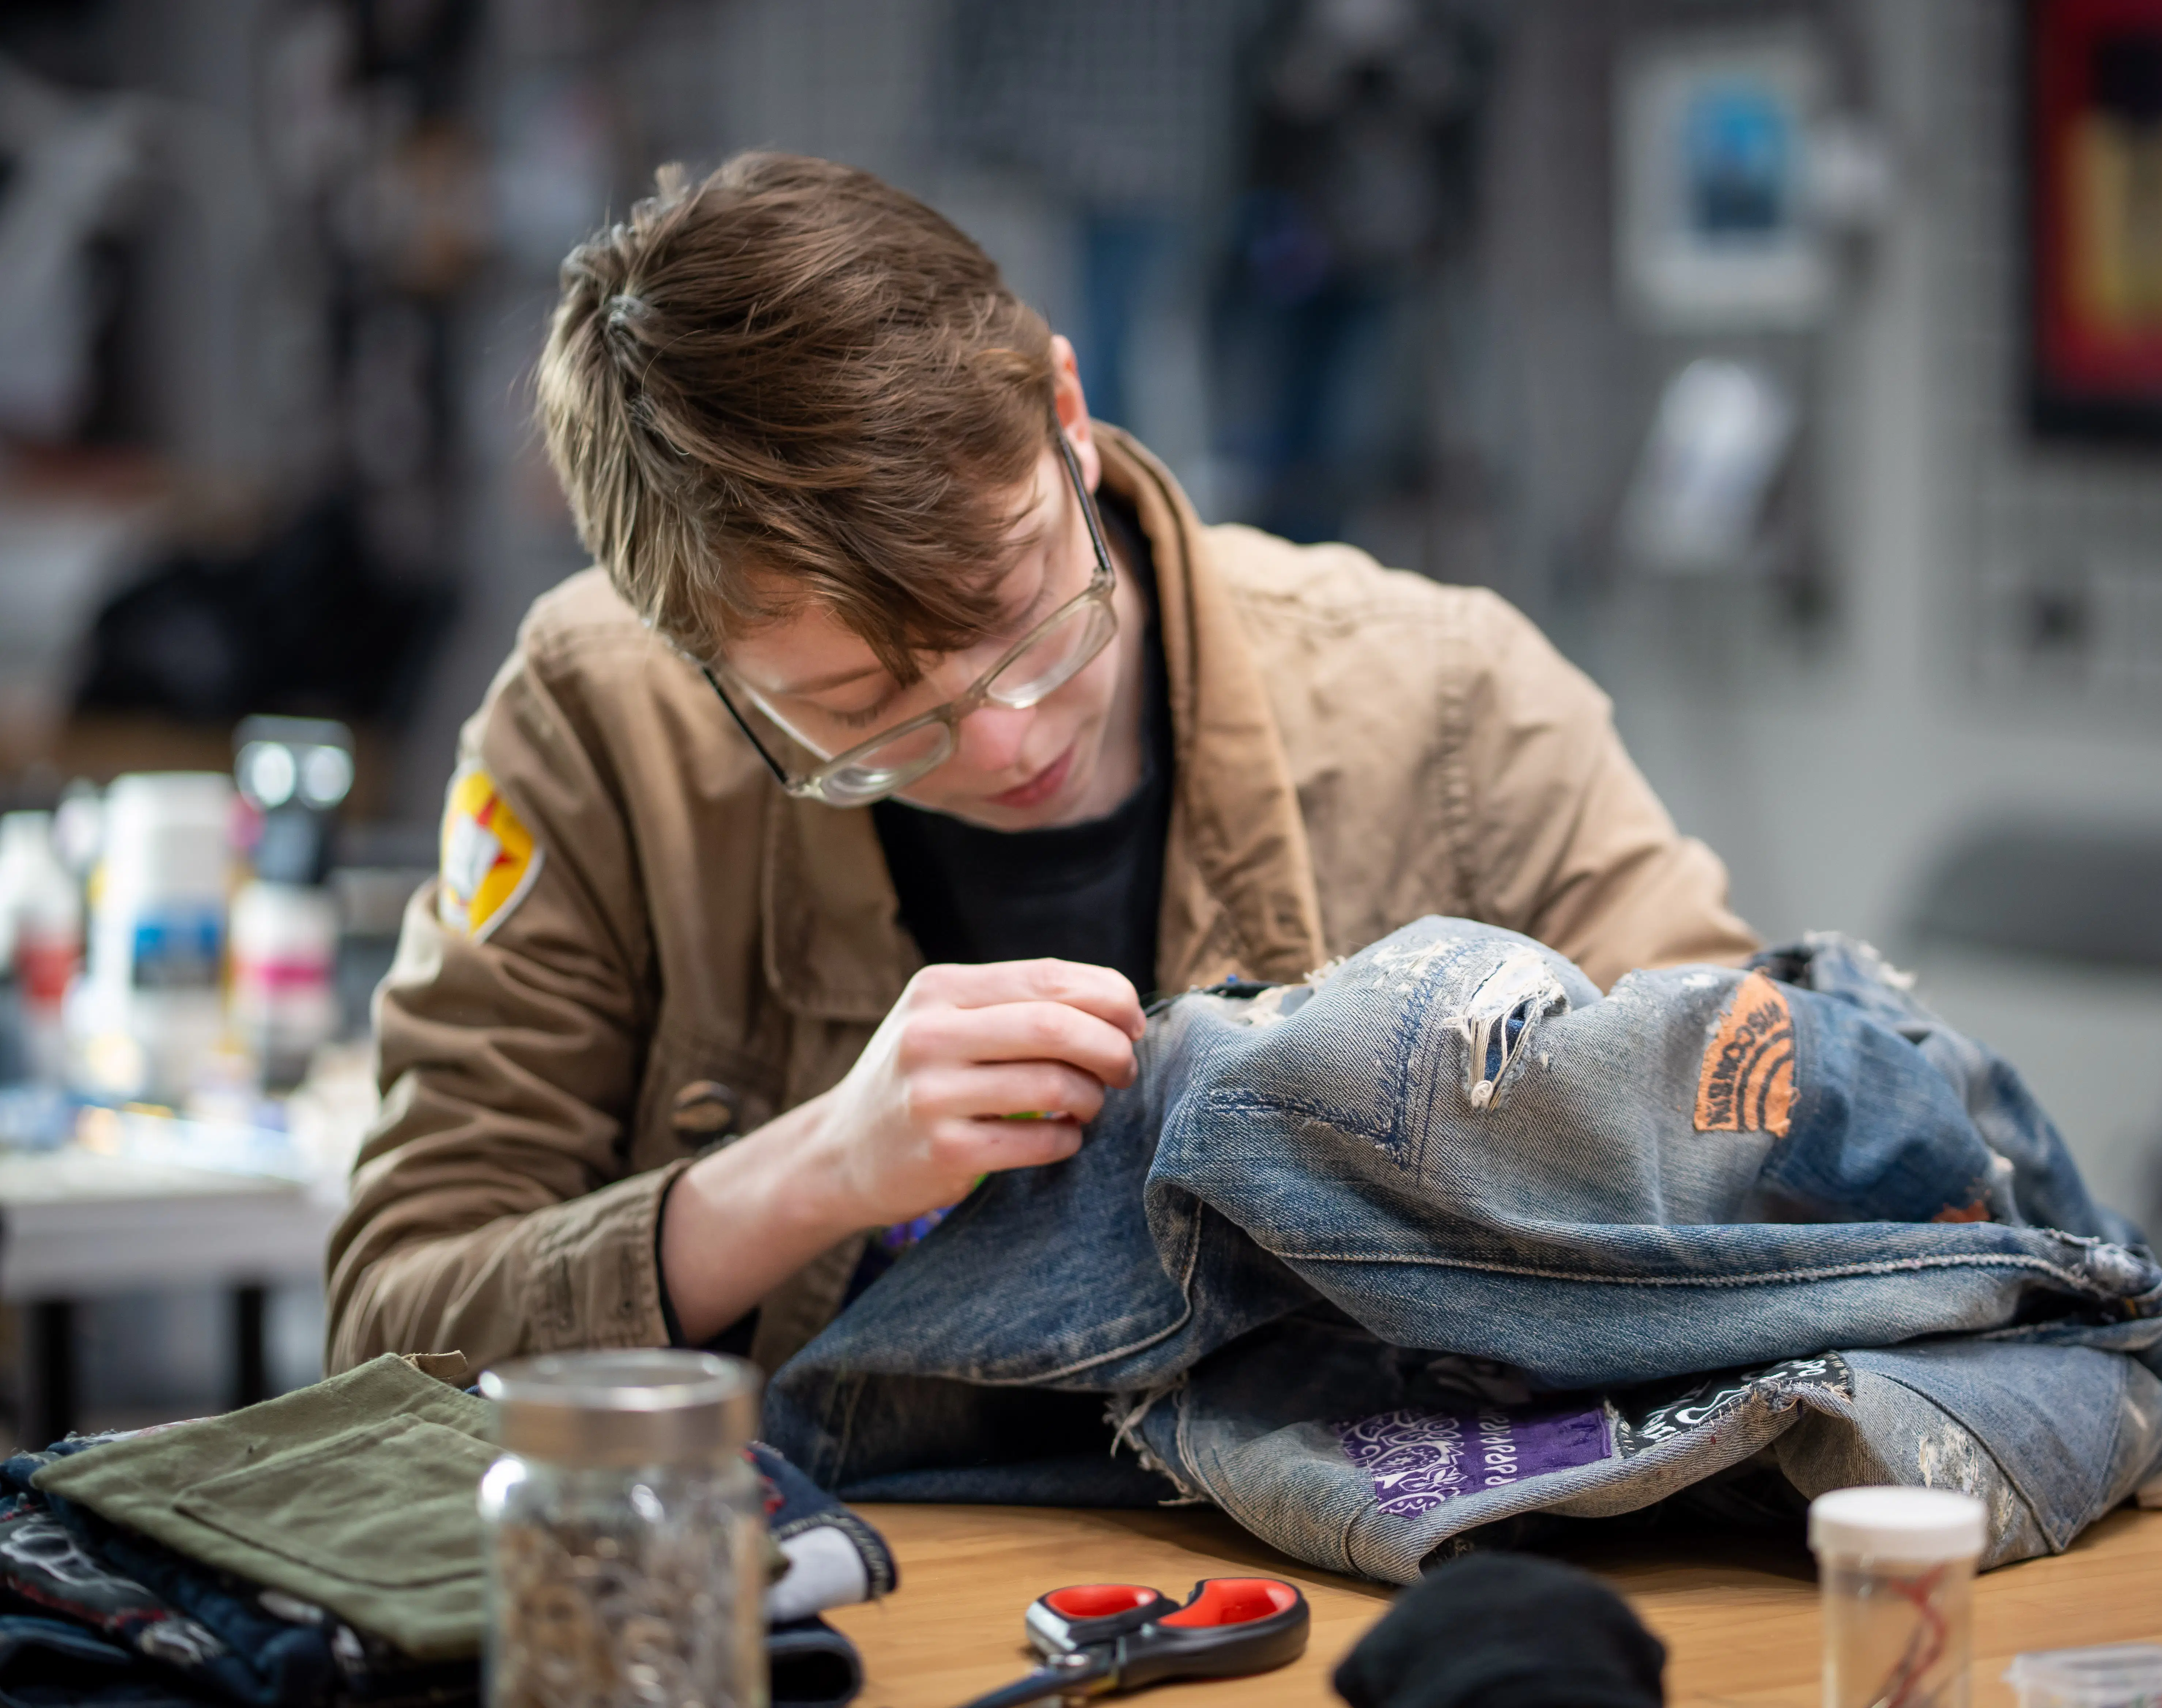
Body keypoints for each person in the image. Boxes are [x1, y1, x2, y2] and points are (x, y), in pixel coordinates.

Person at [323, 152, 1756, 1376]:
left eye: (1015, 606)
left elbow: (1754, 1103)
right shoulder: (594, 726)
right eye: (862, 704)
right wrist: (819, 1169)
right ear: (690, 656)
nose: (1009, 737)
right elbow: (394, 1332)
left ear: (1065, 414)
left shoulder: (1448, 698)